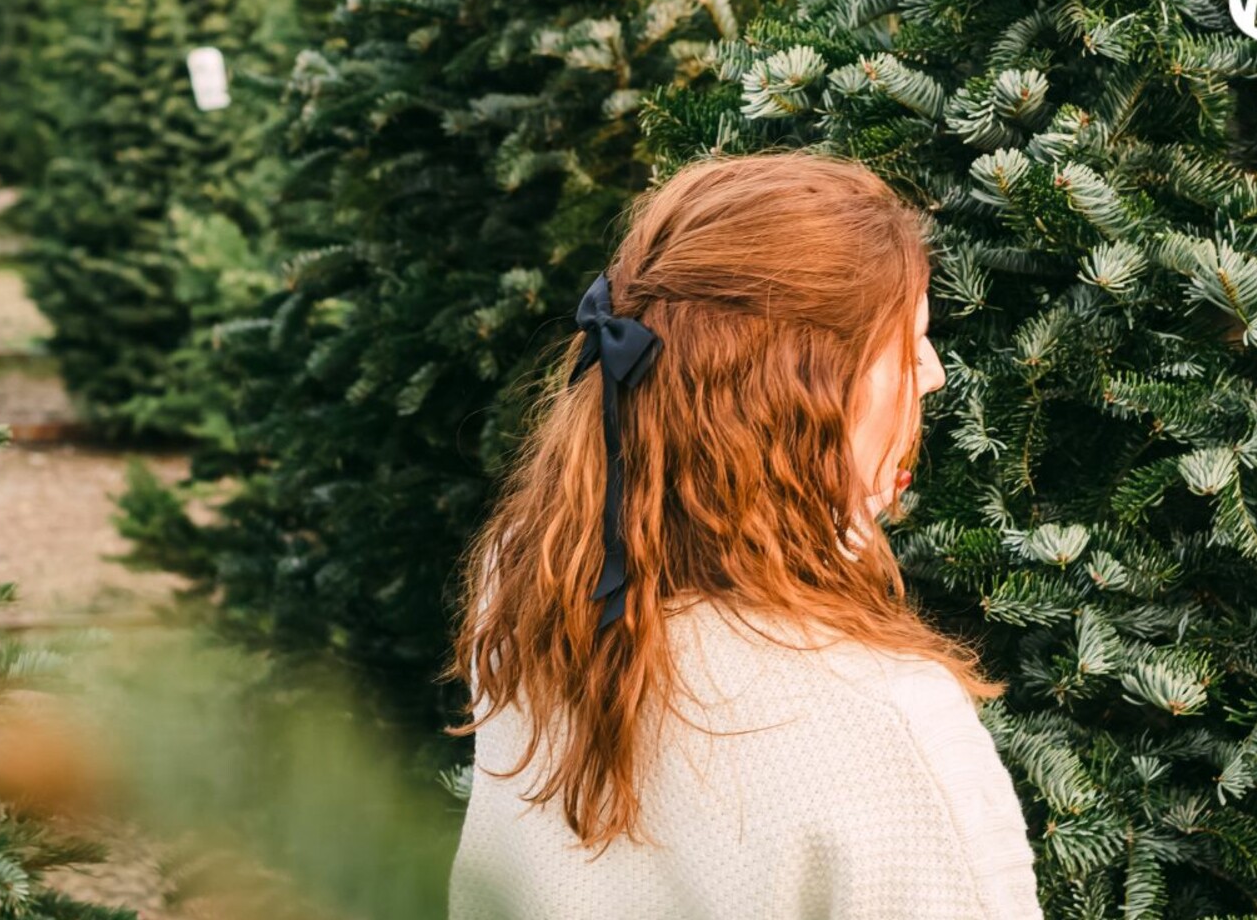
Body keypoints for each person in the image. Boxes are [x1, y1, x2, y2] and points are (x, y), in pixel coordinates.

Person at [445, 153, 1042, 920]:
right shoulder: (885, 724)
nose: (931, 374)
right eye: (906, 344)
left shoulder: (530, 588)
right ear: (804, 395)